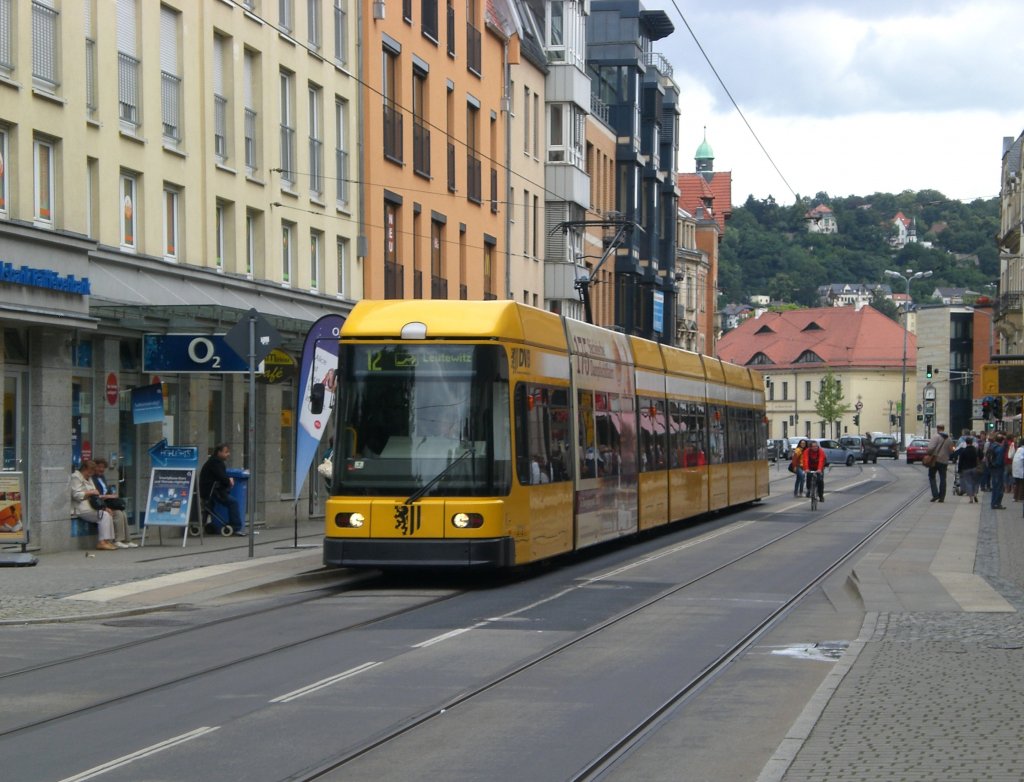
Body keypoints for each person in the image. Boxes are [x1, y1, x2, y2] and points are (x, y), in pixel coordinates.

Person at [69, 460, 118, 551]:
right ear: (84, 469)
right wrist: (90, 492)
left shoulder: (89, 478)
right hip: (80, 507)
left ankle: (106, 541)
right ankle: (101, 542)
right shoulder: (76, 477)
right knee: (104, 516)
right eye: (89, 472)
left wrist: (104, 507)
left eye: (92, 472)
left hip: (91, 505)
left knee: (108, 513)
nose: (90, 474)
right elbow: (76, 495)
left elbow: (95, 494)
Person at [91, 458, 137, 547]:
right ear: (94, 467)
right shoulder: (92, 479)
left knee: (123, 513)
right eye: (99, 467)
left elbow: (106, 491)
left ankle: (126, 540)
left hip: (107, 502)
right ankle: (117, 540)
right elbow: (94, 495)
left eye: (103, 467)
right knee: (118, 514)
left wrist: (111, 495)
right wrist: (106, 496)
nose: (101, 469)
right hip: (99, 505)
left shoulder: (102, 478)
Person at [199, 443, 243, 534]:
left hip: (208, 490)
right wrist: (229, 481)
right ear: (219, 452)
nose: (228, 454)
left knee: (208, 507)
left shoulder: (213, 461)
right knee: (233, 503)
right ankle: (235, 527)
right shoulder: (216, 463)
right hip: (213, 491)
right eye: (226, 452)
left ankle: (203, 524)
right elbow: (222, 477)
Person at [926, 424, 954, 503]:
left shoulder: (936, 437)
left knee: (932, 476)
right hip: (944, 461)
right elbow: (951, 451)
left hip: (935, 460)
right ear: (943, 428)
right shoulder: (949, 439)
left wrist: (929, 452)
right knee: (943, 479)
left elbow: (930, 448)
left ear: (938, 429)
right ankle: (942, 497)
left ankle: (935, 495)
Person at [955, 436, 980, 503]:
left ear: (966, 443)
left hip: (966, 469)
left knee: (969, 483)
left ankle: (971, 498)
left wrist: (959, 470)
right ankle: (975, 494)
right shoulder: (975, 450)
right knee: (975, 482)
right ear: (972, 442)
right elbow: (981, 456)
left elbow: (960, 461)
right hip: (974, 468)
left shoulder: (964, 451)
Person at [987, 432, 1007, 510]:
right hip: (998, 469)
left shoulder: (992, 446)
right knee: (999, 486)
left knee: (995, 486)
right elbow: (999, 461)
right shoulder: (1000, 449)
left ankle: (993, 503)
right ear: (1002, 441)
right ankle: (996, 503)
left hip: (992, 468)